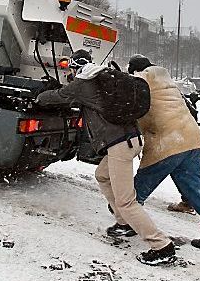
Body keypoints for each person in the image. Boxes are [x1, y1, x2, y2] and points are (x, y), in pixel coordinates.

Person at [36, 49, 177, 266]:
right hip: (130, 138)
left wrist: (39, 96)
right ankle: (124, 223)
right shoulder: (104, 76)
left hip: (120, 144)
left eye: (71, 69)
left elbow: (58, 97)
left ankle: (161, 246)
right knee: (102, 175)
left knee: (126, 201)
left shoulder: (84, 82)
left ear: (75, 67)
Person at [127, 55, 200, 251]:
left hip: (167, 142)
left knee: (141, 185)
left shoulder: (141, 80)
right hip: (192, 139)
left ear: (135, 70)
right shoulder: (168, 82)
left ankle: (127, 222)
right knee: (193, 187)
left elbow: (135, 110)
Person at [166, 76, 200, 214]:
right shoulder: (169, 88)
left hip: (178, 133)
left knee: (176, 166)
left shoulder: (155, 88)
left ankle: (193, 200)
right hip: (189, 130)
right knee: (185, 166)